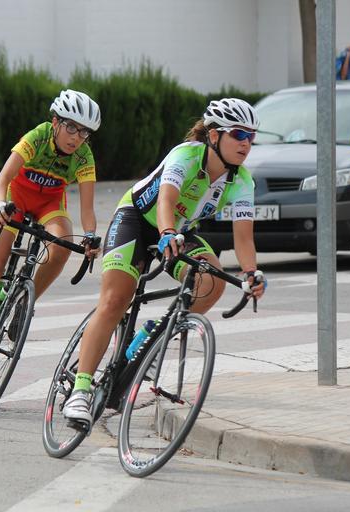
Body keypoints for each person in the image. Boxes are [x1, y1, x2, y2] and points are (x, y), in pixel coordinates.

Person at [62, 98, 267, 428]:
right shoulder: (186, 155)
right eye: (238, 134)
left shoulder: (242, 181)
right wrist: (168, 232)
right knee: (115, 300)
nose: (246, 143)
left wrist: (251, 273)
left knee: (212, 279)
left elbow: (244, 238)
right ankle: (80, 391)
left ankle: (154, 333)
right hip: (137, 220)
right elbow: (166, 200)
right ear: (214, 135)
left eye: (251, 136)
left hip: (178, 232)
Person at [0, 89, 102, 379]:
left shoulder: (84, 156)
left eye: (84, 132)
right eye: (71, 127)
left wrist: (90, 235)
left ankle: (24, 304)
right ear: (55, 122)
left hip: (50, 204)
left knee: (62, 246)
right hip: (16, 198)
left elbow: (87, 209)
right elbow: (2, 179)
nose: (76, 137)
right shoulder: (37, 136)